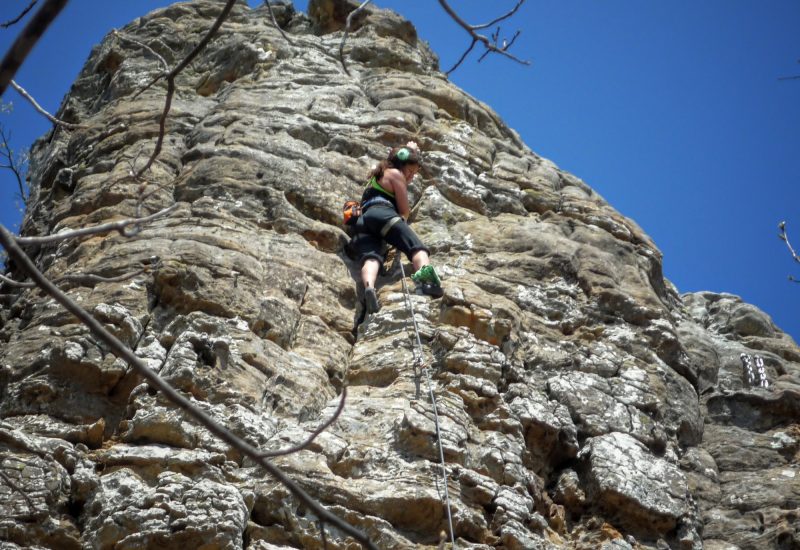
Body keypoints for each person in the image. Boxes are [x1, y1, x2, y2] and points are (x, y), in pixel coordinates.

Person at [349, 141, 442, 313]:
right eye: (409, 171)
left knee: (371, 257)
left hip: (363, 222)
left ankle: (369, 287)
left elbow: (397, 156)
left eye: (414, 173)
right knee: (417, 248)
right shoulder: (395, 174)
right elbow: (404, 210)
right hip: (383, 215)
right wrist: (401, 225)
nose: (411, 176)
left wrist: (411, 150)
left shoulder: (376, 176)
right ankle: (429, 284)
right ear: (400, 165)